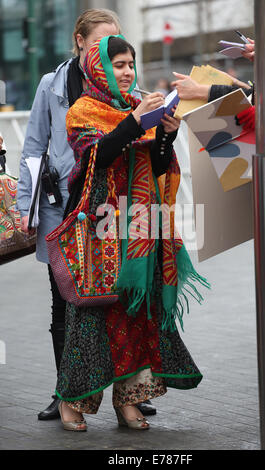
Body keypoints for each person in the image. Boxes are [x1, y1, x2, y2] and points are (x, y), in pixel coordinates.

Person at [54, 35, 209, 431]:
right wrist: (135, 122)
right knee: (91, 318)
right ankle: (73, 401)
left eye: (130, 64)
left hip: (140, 228)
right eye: (118, 64)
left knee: (136, 314)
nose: (126, 72)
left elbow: (158, 167)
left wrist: (166, 134)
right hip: (99, 228)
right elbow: (96, 157)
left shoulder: (139, 105)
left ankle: (129, 400)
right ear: (98, 68)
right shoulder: (83, 110)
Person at [16, 8, 154, 420]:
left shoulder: (124, 83)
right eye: (99, 43)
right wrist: (27, 205)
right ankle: (65, 393)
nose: (109, 53)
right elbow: (33, 147)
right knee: (66, 304)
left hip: (114, 213)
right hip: (63, 207)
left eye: (115, 44)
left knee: (116, 302)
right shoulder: (51, 86)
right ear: (80, 41)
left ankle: (128, 394)